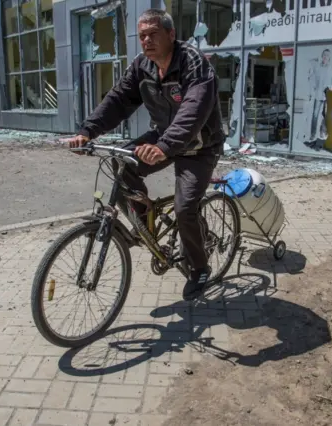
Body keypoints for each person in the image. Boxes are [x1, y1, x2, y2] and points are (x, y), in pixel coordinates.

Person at [62, 9, 225, 301]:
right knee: (122, 163)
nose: (146, 41)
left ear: (171, 35)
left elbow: (194, 111)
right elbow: (118, 99)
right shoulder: (142, 66)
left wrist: (163, 147)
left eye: (153, 34)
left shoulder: (194, 63)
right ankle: (145, 222)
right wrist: (87, 132)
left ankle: (200, 268)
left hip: (200, 145)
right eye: (142, 36)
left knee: (185, 208)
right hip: (164, 136)